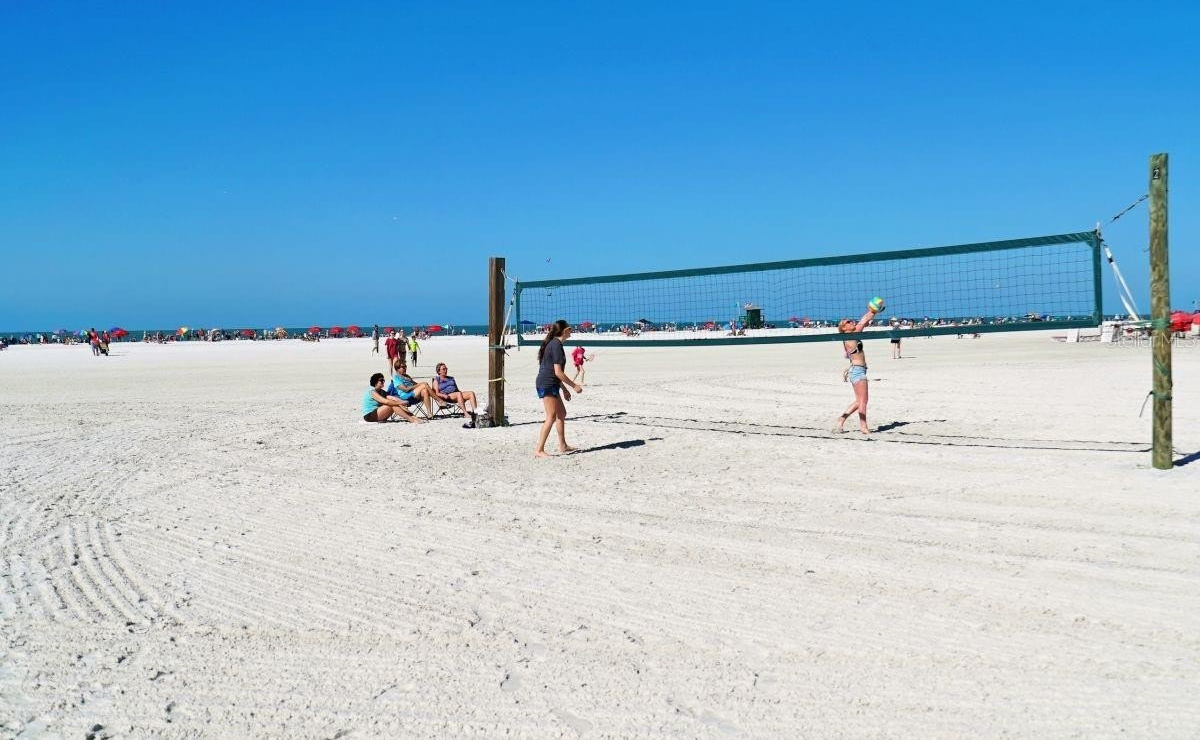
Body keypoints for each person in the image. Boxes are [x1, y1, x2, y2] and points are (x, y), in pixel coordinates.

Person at [534, 319, 583, 458]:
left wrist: (564, 389)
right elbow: (558, 372)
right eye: (570, 329)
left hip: (551, 382)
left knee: (561, 413)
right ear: (565, 330)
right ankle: (539, 450)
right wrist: (574, 386)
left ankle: (563, 445)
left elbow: (554, 372)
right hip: (547, 383)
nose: (571, 331)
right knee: (551, 416)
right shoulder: (556, 345)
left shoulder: (554, 344)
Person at [835, 302, 882, 435]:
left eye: (850, 320)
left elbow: (864, 321)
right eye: (848, 322)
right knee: (863, 401)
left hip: (856, 370)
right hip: (857, 371)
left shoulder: (851, 337)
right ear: (844, 328)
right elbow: (864, 320)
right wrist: (873, 311)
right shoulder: (850, 336)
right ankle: (863, 426)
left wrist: (873, 312)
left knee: (859, 401)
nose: (851, 322)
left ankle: (841, 419)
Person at [431, 362, 479, 427]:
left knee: (471, 393)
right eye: (443, 369)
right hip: (447, 396)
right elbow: (436, 393)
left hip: (456, 394)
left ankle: (476, 412)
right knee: (458, 394)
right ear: (439, 371)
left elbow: (456, 388)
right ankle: (465, 413)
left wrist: (461, 394)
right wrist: (443, 395)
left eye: (446, 368)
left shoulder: (451, 378)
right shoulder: (437, 380)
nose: (445, 370)